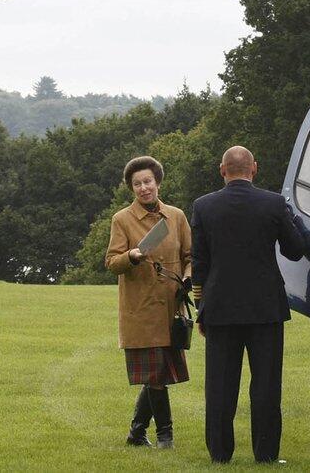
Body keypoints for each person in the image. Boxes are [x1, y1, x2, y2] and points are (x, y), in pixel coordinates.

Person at [190, 146, 306, 463]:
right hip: (265, 307)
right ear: (254, 168)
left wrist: (201, 307)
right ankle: (266, 454)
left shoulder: (203, 206)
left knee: (219, 386)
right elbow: (295, 250)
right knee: (266, 385)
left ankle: (220, 454)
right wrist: (294, 222)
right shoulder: (274, 203)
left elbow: (199, 262)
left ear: (222, 170)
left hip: (220, 307)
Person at [105, 156, 192, 448]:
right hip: (140, 311)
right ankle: (165, 435)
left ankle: (136, 432)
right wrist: (131, 256)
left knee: (159, 373)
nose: (144, 188)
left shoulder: (176, 216)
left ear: (158, 183)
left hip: (172, 309)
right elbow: (112, 262)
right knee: (156, 376)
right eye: (137, 184)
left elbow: (190, 257)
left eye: (148, 182)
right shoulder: (122, 219)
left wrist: (188, 278)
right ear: (131, 188)